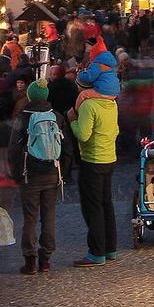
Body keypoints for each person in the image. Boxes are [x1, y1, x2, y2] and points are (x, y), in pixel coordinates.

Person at [9, 78, 73, 274]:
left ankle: (30, 261)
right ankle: (46, 260)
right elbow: (67, 148)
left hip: (30, 175)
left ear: (30, 96)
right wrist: (65, 171)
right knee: (49, 216)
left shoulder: (23, 117)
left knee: (30, 218)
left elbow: (13, 150)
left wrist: (16, 175)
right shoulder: (57, 117)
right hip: (52, 173)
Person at [68, 62, 120, 266]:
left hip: (92, 160)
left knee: (93, 207)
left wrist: (72, 119)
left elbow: (83, 134)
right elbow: (115, 130)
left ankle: (96, 252)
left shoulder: (89, 105)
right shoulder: (111, 102)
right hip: (110, 158)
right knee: (107, 204)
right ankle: (110, 248)